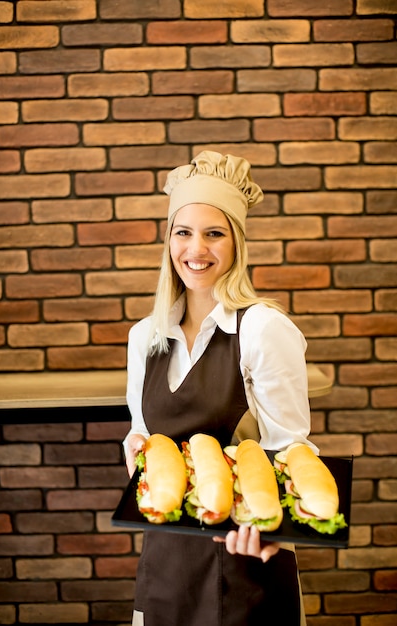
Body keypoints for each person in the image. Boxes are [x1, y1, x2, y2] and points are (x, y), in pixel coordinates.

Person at [123, 151, 317, 626]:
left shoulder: (263, 328)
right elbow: (143, 433)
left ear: (237, 244)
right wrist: (135, 451)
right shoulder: (145, 335)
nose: (197, 249)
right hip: (166, 556)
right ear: (168, 240)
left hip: (244, 556)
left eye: (215, 233)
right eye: (183, 232)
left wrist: (275, 528)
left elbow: (291, 449)